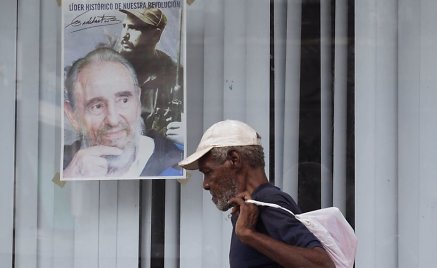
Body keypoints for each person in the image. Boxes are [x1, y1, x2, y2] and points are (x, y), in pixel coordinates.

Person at [179, 120, 335, 268]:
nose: (205, 184)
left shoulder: (267, 202)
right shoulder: (250, 207)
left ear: (234, 159)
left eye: (208, 172)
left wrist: (249, 235)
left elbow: (324, 264)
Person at [63, 47, 182, 179]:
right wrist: (69, 176)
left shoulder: (176, 162)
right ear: (72, 115)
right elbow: (52, 188)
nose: (113, 120)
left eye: (124, 100)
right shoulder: (58, 164)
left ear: (138, 100)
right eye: (97, 106)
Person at [116, 8, 184, 140]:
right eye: (124, 27)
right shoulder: (107, 68)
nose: (125, 35)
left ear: (156, 35)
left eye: (134, 28)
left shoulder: (175, 72)